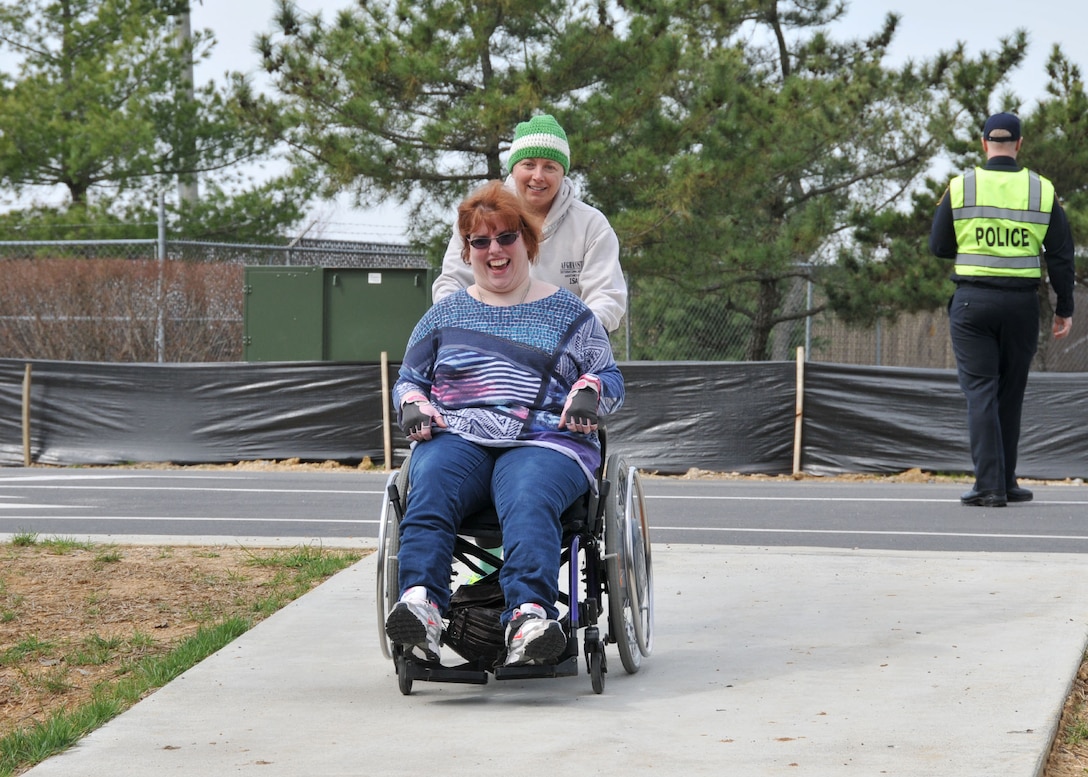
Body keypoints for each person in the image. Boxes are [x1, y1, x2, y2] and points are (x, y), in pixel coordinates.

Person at [385, 180, 625, 667]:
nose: (494, 250)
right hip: (459, 434)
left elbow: (610, 377)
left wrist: (589, 392)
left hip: (544, 438)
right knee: (428, 482)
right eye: (480, 241)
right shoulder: (443, 316)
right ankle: (422, 607)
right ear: (468, 250)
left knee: (528, 495)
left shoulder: (570, 313)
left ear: (527, 242)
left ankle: (529, 618)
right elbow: (409, 378)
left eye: (506, 237)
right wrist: (412, 401)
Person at [929, 112, 1075, 508]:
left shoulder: (961, 187)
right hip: (1022, 306)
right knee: (1010, 394)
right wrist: (1065, 306)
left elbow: (939, 247)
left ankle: (991, 486)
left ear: (983, 145)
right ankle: (1006, 481)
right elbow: (1061, 254)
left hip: (973, 303)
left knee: (980, 392)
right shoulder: (1041, 190)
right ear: (1020, 145)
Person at [431, 113, 628, 333]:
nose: (538, 176)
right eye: (529, 164)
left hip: (564, 349)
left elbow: (607, 297)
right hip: (491, 345)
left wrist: (577, 338)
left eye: (550, 167)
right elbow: (450, 284)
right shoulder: (478, 218)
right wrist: (467, 334)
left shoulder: (591, 225)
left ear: (563, 172)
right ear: (513, 169)